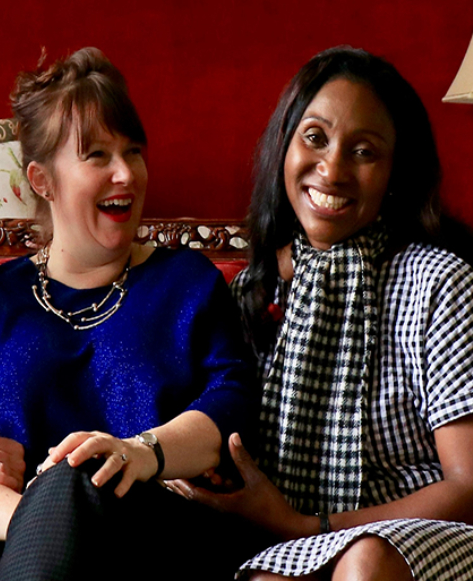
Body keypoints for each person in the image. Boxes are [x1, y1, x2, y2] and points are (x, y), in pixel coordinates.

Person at [0, 47, 260, 580]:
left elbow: (233, 404)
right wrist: (50, 520)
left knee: (82, 473)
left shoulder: (187, 283)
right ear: (42, 180)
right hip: (9, 550)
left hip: (158, 546)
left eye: (134, 151)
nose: (126, 173)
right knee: (66, 489)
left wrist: (140, 451)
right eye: (97, 155)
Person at [168, 46, 473, 580]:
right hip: (297, 535)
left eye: (364, 151)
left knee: (365, 560)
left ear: (395, 173)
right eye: (315, 138)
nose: (331, 169)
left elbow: (468, 486)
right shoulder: (253, 292)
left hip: (429, 534)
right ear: (284, 147)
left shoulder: (438, 282)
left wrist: (309, 525)